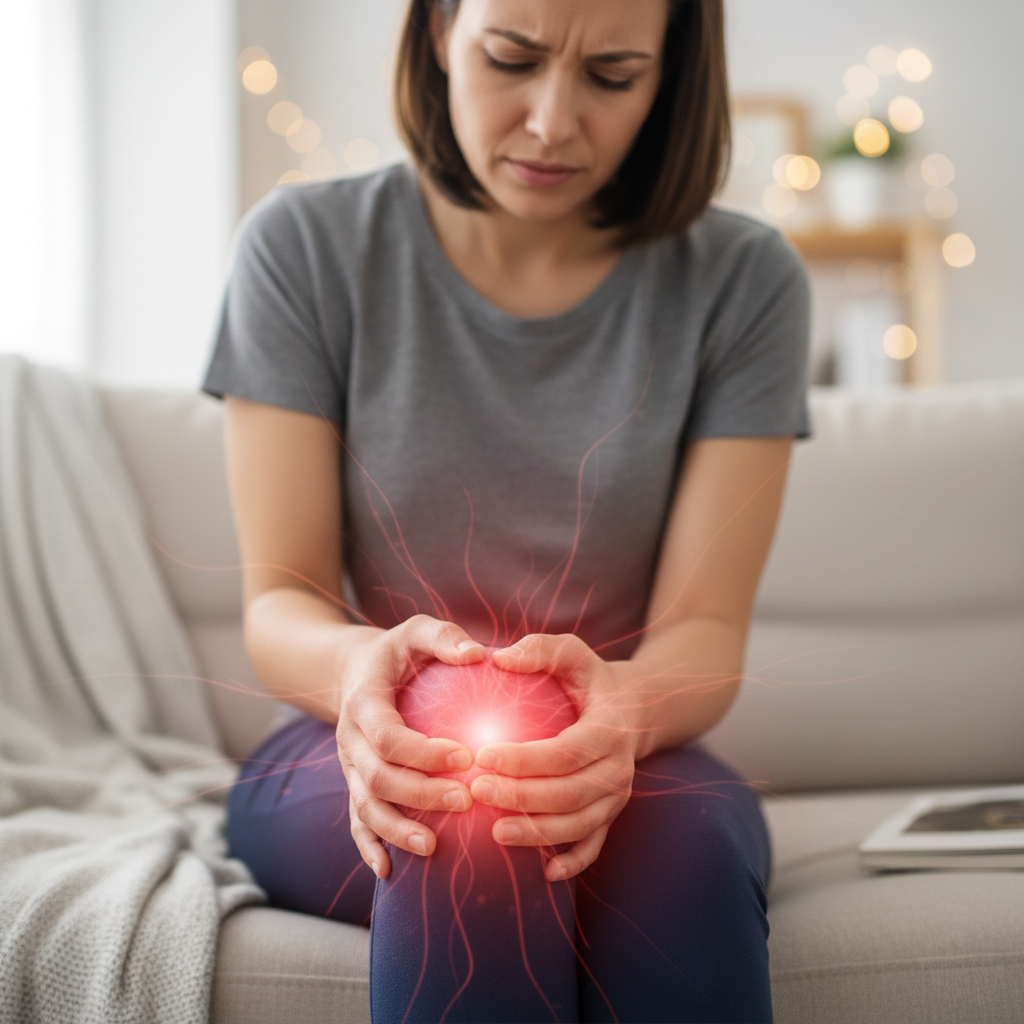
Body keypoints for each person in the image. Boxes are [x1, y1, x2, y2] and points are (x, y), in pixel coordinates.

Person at [203, 0, 809, 1020]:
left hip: (631, 737)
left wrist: (620, 710)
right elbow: (279, 608)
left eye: (612, 76)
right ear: (438, 31)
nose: (549, 122)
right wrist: (362, 671)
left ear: (672, 77)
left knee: (679, 874)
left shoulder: (742, 282)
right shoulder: (302, 249)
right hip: (348, 739)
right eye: (511, 58)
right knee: (467, 822)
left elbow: (705, 628)